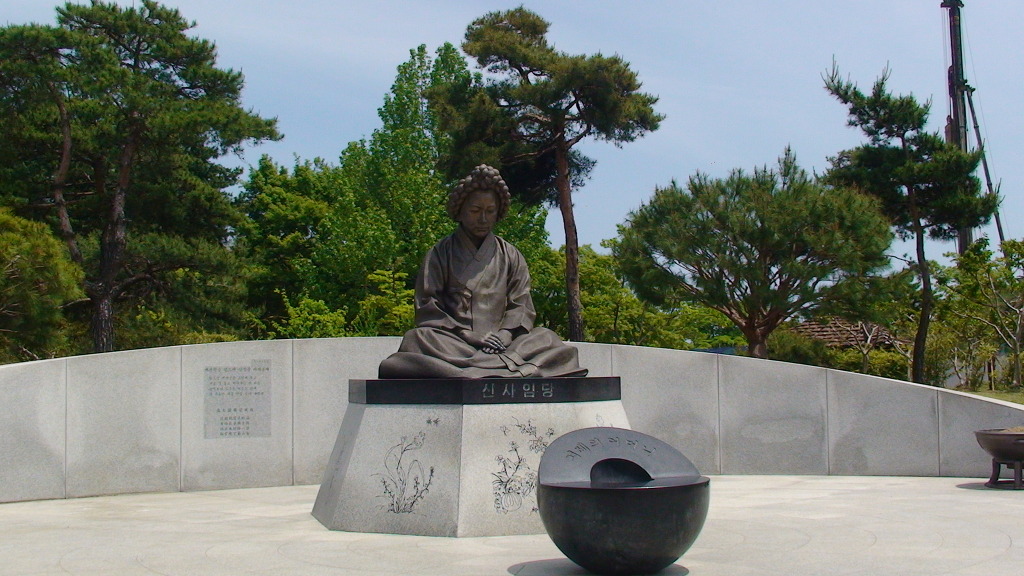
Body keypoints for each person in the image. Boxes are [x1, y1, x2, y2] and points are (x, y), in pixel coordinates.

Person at [378, 165, 587, 379]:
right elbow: (427, 304)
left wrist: (506, 333)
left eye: (490, 211)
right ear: (460, 211)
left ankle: (469, 372)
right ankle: (509, 369)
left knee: (547, 337)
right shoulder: (440, 253)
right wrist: (467, 334)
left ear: (498, 212)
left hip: (504, 344)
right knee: (417, 338)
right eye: (475, 211)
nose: (483, 219)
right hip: (456, 342)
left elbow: (521, 303)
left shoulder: (510, 254)